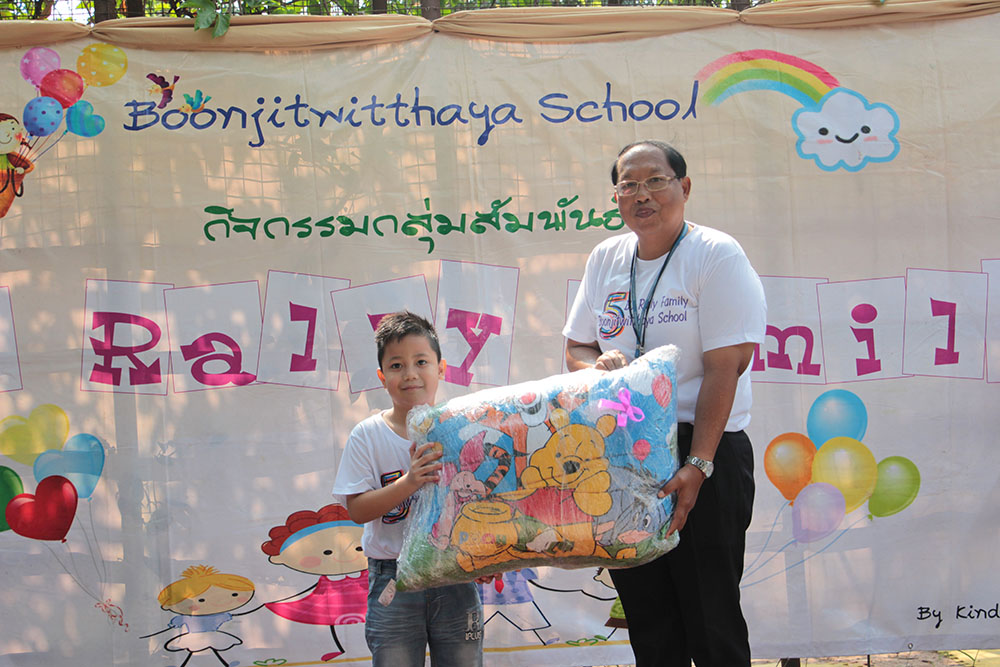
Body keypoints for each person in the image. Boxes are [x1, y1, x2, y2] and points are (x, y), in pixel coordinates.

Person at [562, 140, 766, 666]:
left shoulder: (715, 254)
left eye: (655, 180)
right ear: (616, 197)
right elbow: (577, 348)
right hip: (624, 452)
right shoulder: (606, 258)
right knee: (649, 620)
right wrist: (598, 367)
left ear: (684, 186)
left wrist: (698, 465)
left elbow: (726, 366)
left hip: (701, 447)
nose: (642, 194)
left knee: (712, 619)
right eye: (628, 185)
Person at [331, 311, 485, 667]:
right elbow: (357, 510)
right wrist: (409, 482)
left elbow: (482, 503)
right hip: (392, 578)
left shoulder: (463, 429)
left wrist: (486, 556)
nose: (411, 374)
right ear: (382, 377)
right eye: (397, 366)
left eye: (421, 362)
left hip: (455, 571)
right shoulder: (367, 436)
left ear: (441, 368)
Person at [261, 503, 368, 662]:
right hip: (331, 605)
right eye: (327, 552)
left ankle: (368, 648)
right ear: (280, 558)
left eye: (358, 548)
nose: (341, 557)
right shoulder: (329, 580)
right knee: (336, 624)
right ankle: (344, 649)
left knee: (371, 623)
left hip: (368, 602)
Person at [145, 564, 257, 667]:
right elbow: (176, 622)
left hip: (212, 636)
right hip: (193, 637)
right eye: (201, 600)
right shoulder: (187, 617)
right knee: (193, 652)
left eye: (234, 594)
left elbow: (231, 617)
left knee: (213, 650)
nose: (218, 602)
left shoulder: (217, 616)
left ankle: (226, 663)